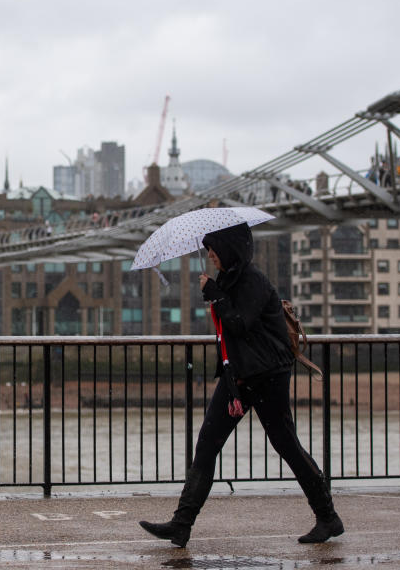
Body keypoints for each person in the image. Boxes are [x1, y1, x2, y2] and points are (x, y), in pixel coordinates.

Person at [139, 222, 343, 547]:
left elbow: (240, 323)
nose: (210, 255)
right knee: (207, 442)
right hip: (240, 376)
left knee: (286, 444)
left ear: (229, 247)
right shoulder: (229, 279)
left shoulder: (252, 281)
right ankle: (181, 524)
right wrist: (217, 295)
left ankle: (328, 517)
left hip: (268, 376)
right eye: (207, 249)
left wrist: (215, 295)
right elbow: (230, 328)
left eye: (213, 249)